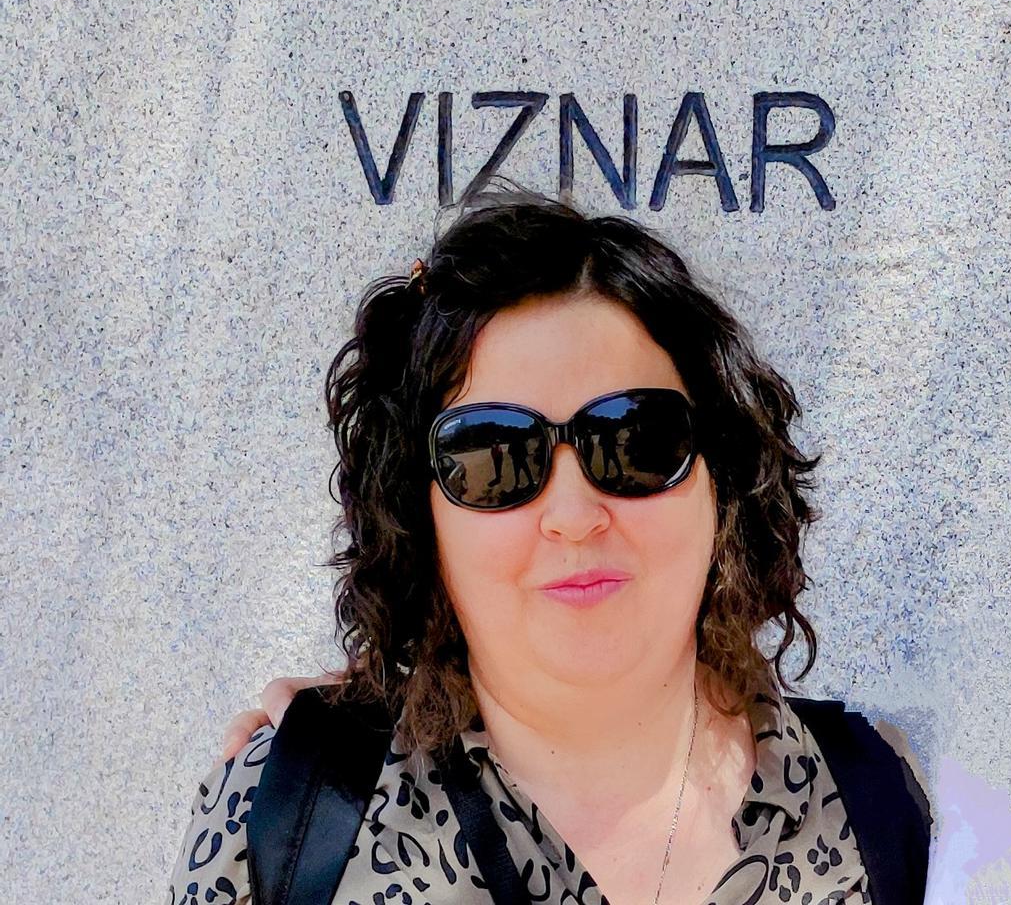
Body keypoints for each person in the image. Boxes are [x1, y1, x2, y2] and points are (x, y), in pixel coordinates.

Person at [165, 183, 933, 905]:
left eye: (633, 439)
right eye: (493, 455)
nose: (573, 513)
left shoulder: (880, 809)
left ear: (723, 481)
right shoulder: (290, 816)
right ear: (419, 516)